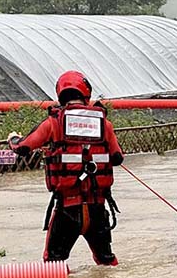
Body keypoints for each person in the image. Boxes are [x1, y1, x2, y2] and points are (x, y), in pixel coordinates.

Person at [8, 70, 123, 265]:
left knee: (53, 265)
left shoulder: (53, 123)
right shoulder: (105, 124)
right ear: (86, 93)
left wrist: (13, 139)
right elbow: (117, 158)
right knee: (107, 263)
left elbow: (22, 147)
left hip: (67, 210)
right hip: (97, 209)